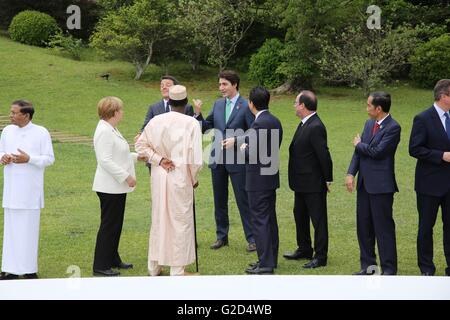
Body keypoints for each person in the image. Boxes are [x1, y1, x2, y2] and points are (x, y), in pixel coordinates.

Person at [136, 85, 203, 276]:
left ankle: (154, 266)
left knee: (159, 217)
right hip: (180, 175)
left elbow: (140, 144)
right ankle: (177, 269)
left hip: (159, 175)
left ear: (170, 102)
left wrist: (158, 159)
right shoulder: (191, 123)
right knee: (179, 220)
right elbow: (195, 158)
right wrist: (194, 178)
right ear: (186, 102)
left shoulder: (156, 121)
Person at [193, 70, 256, 252]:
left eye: (224, 84)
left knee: (243, 200)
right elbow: (206, 128)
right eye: (220, 84)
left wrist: (237, 140)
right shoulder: (218, 104)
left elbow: (254, 131)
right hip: (218, 160)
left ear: (235, 84)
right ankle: (222, 237)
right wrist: (198, 115)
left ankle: (252, 238)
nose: (221, 88)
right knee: (219, 200)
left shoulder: (246, 106)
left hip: (238, 161)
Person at [227, 86, 283, 275]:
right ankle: (270, 258)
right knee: (269, 220)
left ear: (251, 104)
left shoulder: (259, 124)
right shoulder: (275, 121)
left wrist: (243, 146)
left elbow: (251, 153)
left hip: (257, 179)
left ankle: (265, 263)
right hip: (270, 177)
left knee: (260, 220)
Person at [346, 92, 400, 276]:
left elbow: (377, 152)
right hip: (364, 185)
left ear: (379, 109)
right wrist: (351, 172)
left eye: (369, 105)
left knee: (383, 229)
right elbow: (360, 152)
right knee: (364, 227)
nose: (366, 108)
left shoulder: (393, 128)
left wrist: (359, 144)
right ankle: (368, 267)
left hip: (382, 187)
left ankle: (389, 269)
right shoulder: (369, 123)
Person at [0, 100, 54, 280]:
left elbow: (49, 159)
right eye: (11, 112)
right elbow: (0, 152)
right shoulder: (7, 131)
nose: (11, 115)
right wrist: (4, 158)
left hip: (31, 192)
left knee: (29, 231)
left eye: (14, 112)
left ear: (26, 115)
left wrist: (29, 159)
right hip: (12, 190)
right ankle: (10, 269)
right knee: (11, 232)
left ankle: (29, 269)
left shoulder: (41, 132)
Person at [92, 96, 146, 277]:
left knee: (116, 225)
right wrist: (126, 177)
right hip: (109, 187)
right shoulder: (104, 131)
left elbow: (118, 155)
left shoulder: (112, 129)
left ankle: (113, 258)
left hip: (115, 187)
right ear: (114, 112)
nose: (123, 112)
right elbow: (105, 160)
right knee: (109, 225)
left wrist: (137, 157)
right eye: (121, 109)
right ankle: (100, 265)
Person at [284, 91, 333, 269]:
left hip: (313, 184)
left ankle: (320, 256)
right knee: (300, 216)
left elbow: (324, 155)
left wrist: (328, 179)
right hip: (301, 183)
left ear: (303, 105)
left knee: (318, 220)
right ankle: (304, 248)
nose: (294, 105)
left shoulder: (316, 126)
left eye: (295, 102)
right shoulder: (305, 123)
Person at [409, 79, 450, 276]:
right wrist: (441, 155)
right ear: (444, 97)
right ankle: (426, 268)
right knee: (426, 228)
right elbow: (414, 149)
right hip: (429, 184)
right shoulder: (422, 118)